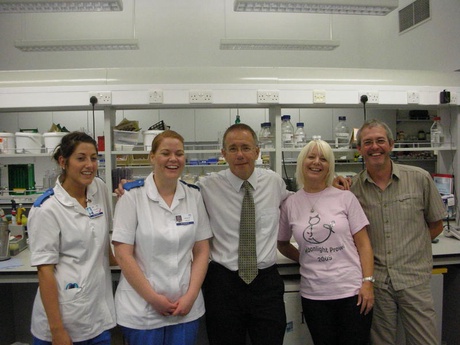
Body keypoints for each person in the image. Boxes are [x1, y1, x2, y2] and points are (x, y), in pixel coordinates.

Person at [348, 119, 446, 345]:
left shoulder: (419, 178)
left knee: (425, 341)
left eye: (380, 141)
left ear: (391, 144)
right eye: (368, 142)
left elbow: (436, 224)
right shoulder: (352, 189)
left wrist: (413, 249)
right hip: (377, 284)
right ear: (360, 149)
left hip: (414, 279)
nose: (375, 147)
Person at [111, 130, 212, 345]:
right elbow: (122, 254)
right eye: (166, 153)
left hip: (185, 308)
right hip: (142, 310)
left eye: (179, 153)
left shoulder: (193, 195)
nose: (173, 159)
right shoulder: (132, 197)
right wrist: (153, 299)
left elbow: (202, 250)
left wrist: (191, 296)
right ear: (152, 156)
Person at [196, 123, 291, 345]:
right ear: (223, 154)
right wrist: (133, 187)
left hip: (265, 283)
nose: (240, 155)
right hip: (223, 285)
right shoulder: (207, 186)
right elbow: (173, 191)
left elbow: (301, 200)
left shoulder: (274, 182)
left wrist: (331, 186)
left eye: (246, 148)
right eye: (233, 148)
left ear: (257, 152)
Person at [278, 139, 374, 345]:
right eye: (311, 157)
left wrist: (368, 282)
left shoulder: (345, 198)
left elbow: (364, 244)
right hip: (315, 295)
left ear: (330, 166)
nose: (316, 162)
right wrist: (304, 258)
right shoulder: (291, 204)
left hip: (352, 292)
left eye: (323, 159)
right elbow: (282, 243)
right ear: (302, 162)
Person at [28, 131, 116, 345]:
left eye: (94, 158)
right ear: (63, 161)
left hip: (98, 317)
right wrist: (57, 331)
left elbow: (104, 242)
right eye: (80, 158)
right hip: (63, 321)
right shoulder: (46, 209)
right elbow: (45, 272)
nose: (89, 164)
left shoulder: (99, 189)